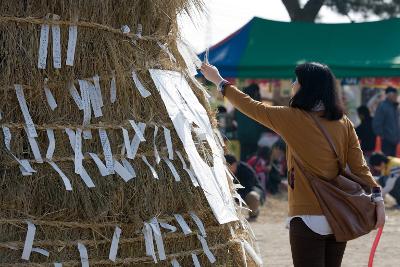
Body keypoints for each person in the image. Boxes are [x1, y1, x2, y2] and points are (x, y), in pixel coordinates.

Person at [201, 62, 385, 267]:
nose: (293, 83)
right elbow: (360, 167)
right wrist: (378, 198)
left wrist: (218, 81)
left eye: (297, 80)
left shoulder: (291, 117)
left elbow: (251, 106)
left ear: (307, 87)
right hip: (339, 214)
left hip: (307, 217)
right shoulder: (343, 122)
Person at [225, 154, 265, 221]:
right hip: (236, 194)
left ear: (234, 164)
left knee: (253, 196)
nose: (227, 170)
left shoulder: (246, 170)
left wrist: (236, 197)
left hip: (251, 190)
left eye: (229, 167)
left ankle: (253, 215)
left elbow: (248, 188)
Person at [235, 83, 266, 161]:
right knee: (252, 159)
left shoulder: (239, 102)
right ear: (255, 92)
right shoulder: (256, 104)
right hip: (253, 136)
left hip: (242, 136)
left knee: (243, 158)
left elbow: (235, 118)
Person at [372, 86, 400, 156]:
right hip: (387, 140)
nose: (396, 97)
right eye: (394, 95)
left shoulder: (395, 107)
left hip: (395, 140)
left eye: (396, 95)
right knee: (387, 161)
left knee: (393, 162)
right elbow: (377, 123)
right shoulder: (382, 106)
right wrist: (383, 136)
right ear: (388, 95)